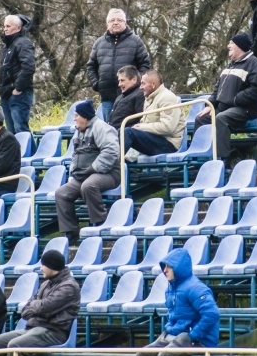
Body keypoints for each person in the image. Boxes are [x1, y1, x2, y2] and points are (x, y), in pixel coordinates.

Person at [0, 250, 80, 356]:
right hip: (33, 328)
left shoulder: (69, 286)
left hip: (54, 331)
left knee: (15, 346)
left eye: (43, 265)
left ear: (52, 266)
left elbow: (45, 306)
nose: (41, 268)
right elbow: (26, 309)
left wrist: (36, 307)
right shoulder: (46, 284)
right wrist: (36, 307)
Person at [135, 248, 220, 356]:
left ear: (179, 267)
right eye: (164, 267)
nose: (165, 270)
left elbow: (212, 314)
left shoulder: (196, 288)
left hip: (197, 340)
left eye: (169, 267)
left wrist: (193, 336)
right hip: (174, 336)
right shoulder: (170, 288)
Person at [55, 100, 120, 245]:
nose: (74, 118)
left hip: (108, 174)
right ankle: (71, 235)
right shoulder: (78, 131)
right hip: (83, 175)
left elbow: (111, 151)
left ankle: (101, 227)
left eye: (77, 115)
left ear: (85, 116)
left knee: (88, 186)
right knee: (61, 193)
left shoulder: (102, 128)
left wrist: (93, 169)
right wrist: (75, 171)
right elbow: (75, 155)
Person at [194, 33, 257, 161]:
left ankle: (221, 160)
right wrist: (210, 105)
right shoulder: (230, 64)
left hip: (245, 108)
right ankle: (200, 158)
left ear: (240, 46)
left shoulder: (254, 64)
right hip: (225, 106)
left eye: (231, 43)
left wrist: (235, 99)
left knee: (221, 118)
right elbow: (217, 88)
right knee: (201, 118)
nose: (228, 46)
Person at [86, 8, 151, 121]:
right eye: (112, 20)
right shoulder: (99, 43)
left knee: (127, 128)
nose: (115, 22)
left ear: (125, 23)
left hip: (130, 97)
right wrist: (97, 84)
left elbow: (145, 65)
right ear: (107, 24)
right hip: (107, 97)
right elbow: (91, 66)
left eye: (119, 20)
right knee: (110, 129)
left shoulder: (136, 42)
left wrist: (136, 84)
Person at [122, 70, 185, 157]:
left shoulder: (167, 98)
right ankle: (114, 162)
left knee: (128, 133)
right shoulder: (149, 98)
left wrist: (142, 127)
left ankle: (113, 166)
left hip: (169, 144)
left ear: (153, 84)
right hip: (155, 140)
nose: (140, 87)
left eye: (143, 83)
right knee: (120, 132)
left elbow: (168, 127)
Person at [0, 14, 35, 135]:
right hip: (6, 94)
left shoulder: (23, 43)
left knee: (21, 131)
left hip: (19, 95)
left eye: (8, 26)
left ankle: (31, 154)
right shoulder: (8, 46)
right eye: (4, 26)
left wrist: (18, 88)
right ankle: (17, 155)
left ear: (18, 28)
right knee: (11, 133)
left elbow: (29, 67)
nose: (5, 29)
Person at [108, 65, 145, 130]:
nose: (119, 84)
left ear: (134, 80)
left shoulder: (140, 94)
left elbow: (141, 120)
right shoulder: (120, 97)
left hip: (124, 134)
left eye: (122, 80)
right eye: (119, 81)